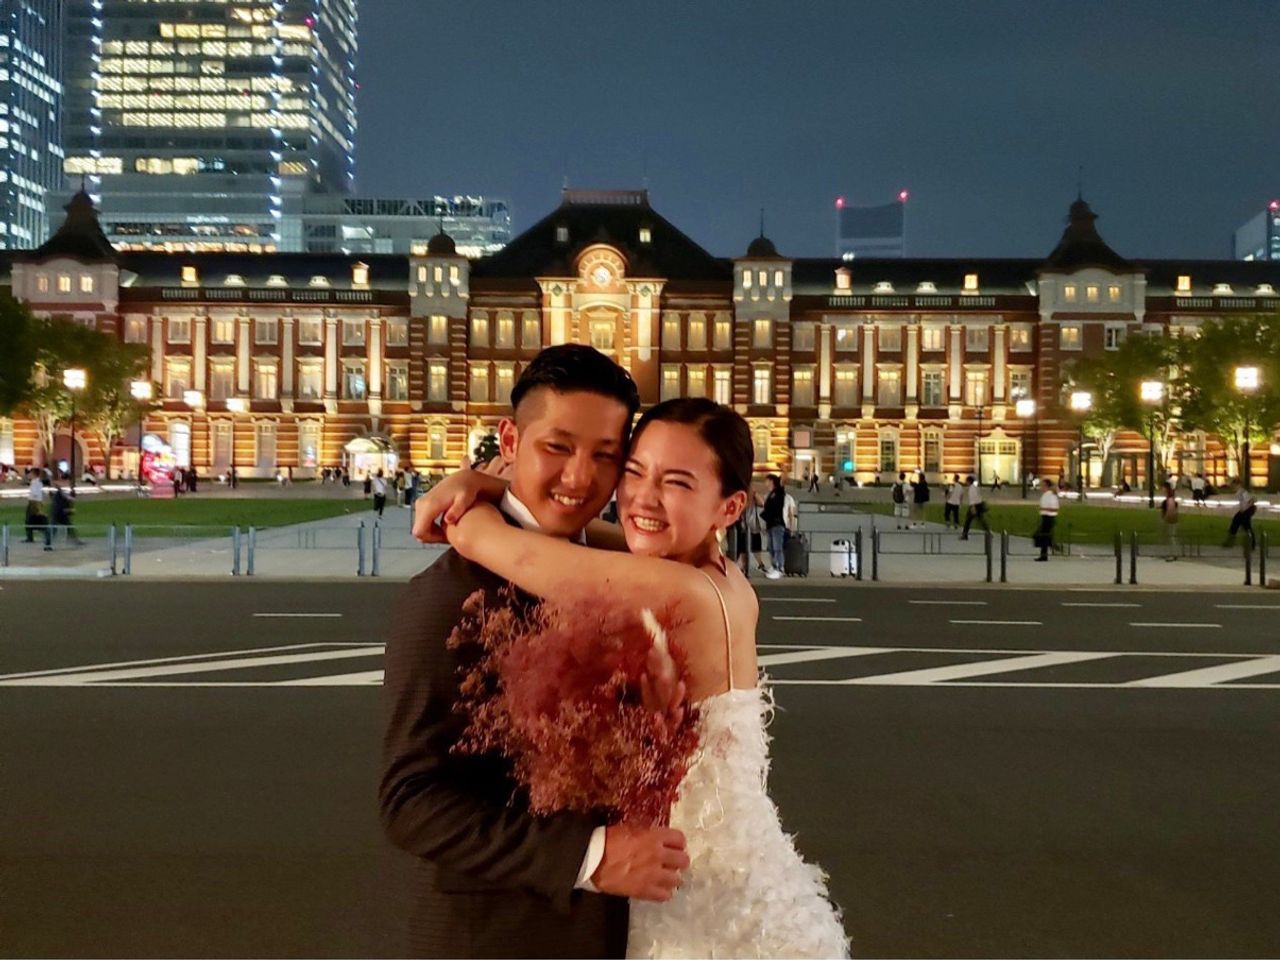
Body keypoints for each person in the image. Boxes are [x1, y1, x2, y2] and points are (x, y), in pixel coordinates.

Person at [414, 393, 849, 958]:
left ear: (730, 507)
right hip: (731, 876)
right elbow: (591, 534)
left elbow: (497, 546)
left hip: (695, 898)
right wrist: (494, 486)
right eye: (635, 471)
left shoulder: (682, 595)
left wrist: (466, 497)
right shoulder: (718, 575)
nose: (643, 496)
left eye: (677, 482)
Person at [380, 346, 690, 958]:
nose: (579, 478)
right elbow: (410, 801)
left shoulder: (615, 569)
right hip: (501, 936)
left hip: (627, 924)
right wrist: (590, 856)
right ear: (510, 439)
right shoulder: (449, 596)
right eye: (557, 447)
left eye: (605, 456)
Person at [761, 474, 787, 580]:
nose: (765, 483)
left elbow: (783, 481)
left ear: (771, 481)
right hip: (770, 524)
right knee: (771, 547)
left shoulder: (778, 492)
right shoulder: (770, 494)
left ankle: (779, 568)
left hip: (777, 524)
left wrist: (784, 471)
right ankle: (774, 566)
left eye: (767, 481)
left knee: (777, 547)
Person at [24, 469, 51, 550]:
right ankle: (30, 536)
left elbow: (36, 493)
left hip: (34, 502)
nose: (29, 475)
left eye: (30, 473)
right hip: (34, 502)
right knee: (29, 519)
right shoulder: (35, 482)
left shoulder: (36, 483)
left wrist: (35, 502)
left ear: (34, 474)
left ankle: (44, 535)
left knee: (35, 519)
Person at [1034, 478, 1059, 561]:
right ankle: (1049, 548)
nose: (1040, 487)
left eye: (1042, 485)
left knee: (1042, 535)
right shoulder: (1046, 495)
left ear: (1046, 486)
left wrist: (1043, 509)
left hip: (1048, 517)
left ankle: (1048, 549)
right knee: (1043, 536)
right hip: (1046, 517)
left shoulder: (1050, 495)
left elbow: (1054, 508)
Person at [960, 474, 990, 540]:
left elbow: (972, 498)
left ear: (969, 481)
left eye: (966, 481)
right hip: (979, 504)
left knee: (968, 520)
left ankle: (965, 535)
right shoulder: (976, 487)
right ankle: (988, 532)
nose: (966, 483)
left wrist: (973, 508)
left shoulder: (971, 488)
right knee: (981, 519)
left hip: (974, 505)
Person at [1159, 481, 1179, 560]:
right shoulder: (1170, 499)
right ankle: (1172, 553)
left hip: (1170, 521)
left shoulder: (1170, 499)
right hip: (1171, 520)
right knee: (1170, 538)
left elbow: (1170, 511)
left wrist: (1165, 519)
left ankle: (1173, 554)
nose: (1162, 489)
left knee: (1171, 538)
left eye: (1163, 488)